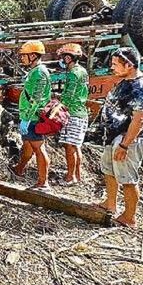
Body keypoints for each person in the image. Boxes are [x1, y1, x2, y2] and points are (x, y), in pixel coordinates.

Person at [96, 47, 143, 228]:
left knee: (127, 177)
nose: (112, 67)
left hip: (127, 139)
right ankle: (110, 204)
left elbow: (139, 119)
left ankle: (130, 217)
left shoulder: (141, 88)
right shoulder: (125, 81)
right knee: (109, 170)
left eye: (115, 64)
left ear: (128, 65)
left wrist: (125, 145)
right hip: (113, 135)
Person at [13, 41, 52, 189]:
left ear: (33, 56)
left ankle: (43, 182)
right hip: (29, 116)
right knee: (28, 145)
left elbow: (37, 98)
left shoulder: (40, 72)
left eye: (24, 56)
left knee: (39, 149)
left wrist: (27, 118)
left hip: (33, 118)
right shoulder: (34, 71)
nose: (22, 58)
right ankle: (19, 169)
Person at [57, 43, 89, 185]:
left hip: (73, 114)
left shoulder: (73, 74)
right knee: (76, 146)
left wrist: (58, 104)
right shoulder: (82, 71)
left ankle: (70, 177)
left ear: (69, 58)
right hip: (81, 113)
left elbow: (69, 96)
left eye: (63, 57)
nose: (62, 60)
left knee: (69, 146)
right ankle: (77, 176)